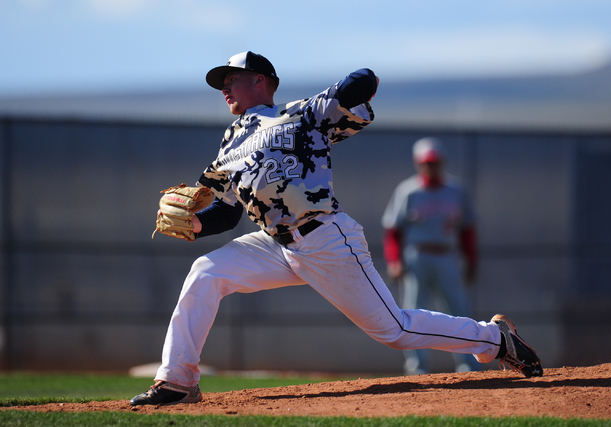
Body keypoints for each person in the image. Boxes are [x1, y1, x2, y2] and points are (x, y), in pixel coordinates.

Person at [130, 51, 543, 406]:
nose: (224, 88)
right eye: (221, 83)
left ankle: (495, 339)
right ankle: (179, 381)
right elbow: (227, 213)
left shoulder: (299, 116)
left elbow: (362, 81)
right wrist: (196, 224)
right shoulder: (230, 143)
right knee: (206, 271)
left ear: (261, 81)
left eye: (231, 80)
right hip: (274, 244)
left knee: (394, 331)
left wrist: (336, 96)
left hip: (324, 237)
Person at [382, 137, 481, 375]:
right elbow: (393, 231)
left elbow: (467, 230)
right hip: (417, 256)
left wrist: (471, 260)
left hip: (447, 255)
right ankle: (417, 369)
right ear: (418, 164)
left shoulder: (456, 190)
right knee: (413, 312)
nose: (430, 167)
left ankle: (467, 365)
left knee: (458, 311)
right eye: (426, 163)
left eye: (434, 162)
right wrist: (394, 260)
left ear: (442, 163)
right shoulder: (408, 190)